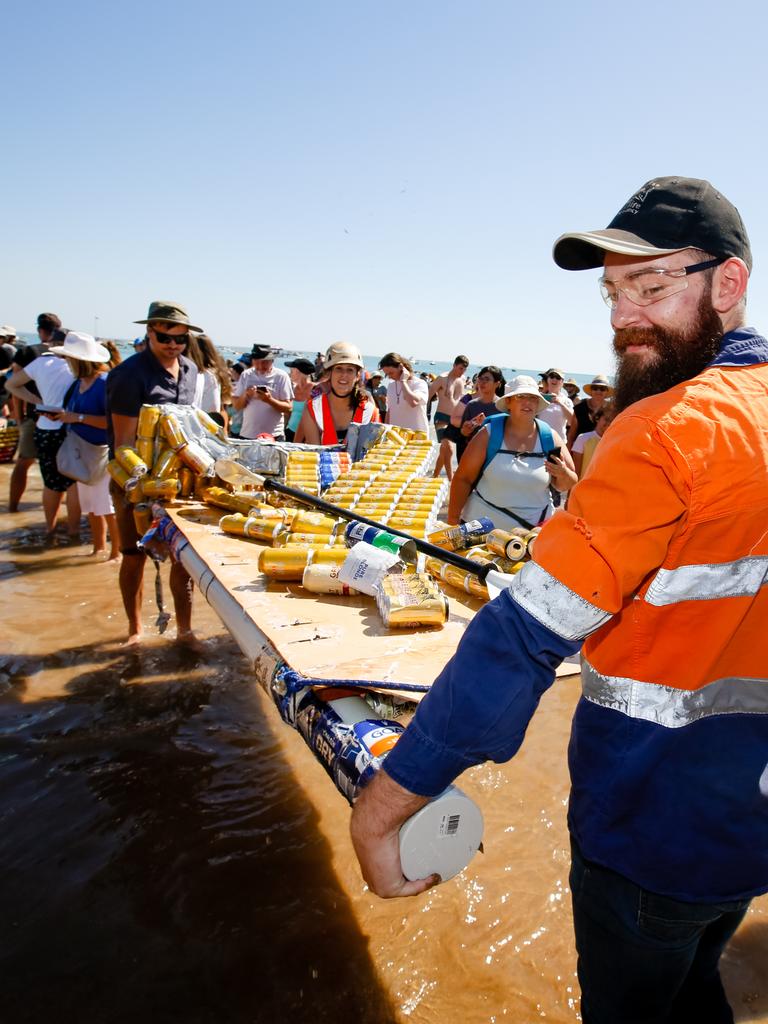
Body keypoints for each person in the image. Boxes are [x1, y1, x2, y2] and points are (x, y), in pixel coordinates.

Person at [350, 176, 766, 1024]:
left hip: (650, 829)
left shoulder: (665, 430)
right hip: (747, 826)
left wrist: (387, 803)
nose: (623, 317)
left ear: (729, 284)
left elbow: (520, 638)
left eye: (652, 287)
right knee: (693, 992)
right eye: (613, 292)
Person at [106, 301, 202, 645]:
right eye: (165, 337)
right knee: (133, 556)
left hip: (178, 483)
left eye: (180, 339)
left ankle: (185, 630)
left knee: (182, 560)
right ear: (149, 332)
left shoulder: (190, 370)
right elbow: (122, 443)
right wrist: (143, 486)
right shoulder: (128, 375)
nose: (173, 345)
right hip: (134, 482)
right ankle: (134, 630)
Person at [447, 374, 576, 531]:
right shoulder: (488, 434)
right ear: (508, 402)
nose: (528, 402)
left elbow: (569, 482)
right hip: (481, 533)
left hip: (532, 537)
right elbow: (463, 479)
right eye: (521, 397)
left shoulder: (550, 437)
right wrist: (452, 523)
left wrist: (563, 474)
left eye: (533, 398)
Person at [6, 313, 82, 542]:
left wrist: (37, 401)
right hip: (71, 428)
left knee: (51, 483)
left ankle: (49, 530)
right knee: (73, 483)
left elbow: (11, 384)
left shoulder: (41, 363)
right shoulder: (77, 367)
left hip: (44, 427)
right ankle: (74, 532)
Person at [47, 332, 119, 559]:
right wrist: (63, 416)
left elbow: (113, 422)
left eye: (68, 359)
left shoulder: (103, 383)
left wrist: (76, 418)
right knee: (91, 507)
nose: (66, 363)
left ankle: (117, 553)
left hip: (101, 454)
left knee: (106, 508)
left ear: (78, 360)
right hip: (83, 452)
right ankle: (99, 548)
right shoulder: (79, 383)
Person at [299, 342, 379, 445]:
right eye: (338, 368)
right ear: (329, 373)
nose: (344, 375)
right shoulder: (313, 409)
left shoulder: (369, 412)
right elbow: (314, 452)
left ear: (357, 376)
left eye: (350, 370)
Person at [231, 344, 293, 440]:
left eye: (264, 362)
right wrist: (246, 395)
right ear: (252, 361)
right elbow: (237, 406)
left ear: (272, 361)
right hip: (248, 434)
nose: (260, 366)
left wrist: (269, 400)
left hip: (274, 436)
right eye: (256, 362)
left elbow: (288, 408)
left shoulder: (281, 376)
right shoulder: (246, 375)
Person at [451, 364, 505, 464]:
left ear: (497, 384)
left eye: (487, 379)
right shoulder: (472, 405)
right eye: (480, 378)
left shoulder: (503, 407)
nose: (482, 382)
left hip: (495, 458)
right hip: (472, 455)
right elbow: (463, 435)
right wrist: (465, 430)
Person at [428, 355, 469, 479]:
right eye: (460, 368)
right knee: (450, 448)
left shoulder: (462, 380)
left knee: (444, 450)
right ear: (454, 365)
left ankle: (435, 476)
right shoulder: (442, 378)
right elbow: (428, 396)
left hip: (455, 419)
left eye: (464, 370)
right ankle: (451, 479)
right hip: (441, 417)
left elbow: (461, 400)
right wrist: (425, 416)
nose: (462, 372)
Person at [378, 352, 429, 433]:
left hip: (417, 436)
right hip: (395, 436)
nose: (390, 377)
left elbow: (413, 402)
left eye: (391, 373)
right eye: (387, 374)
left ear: (401, 367)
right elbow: (390, 411)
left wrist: (403, 381)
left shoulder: (419, 383)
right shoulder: (391, 386)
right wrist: (386, 431)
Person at [570, 399, 614, 479]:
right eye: (606, 419)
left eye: (612, 421)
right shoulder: (582, 439)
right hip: (583, 488)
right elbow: (576, 471)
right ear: (597, 418)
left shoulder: (615, 442)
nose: (609, 423)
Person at [567, 374, 614, 447]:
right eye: (595, 388)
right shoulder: (579, 408)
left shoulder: (611, 410)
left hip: (603, 449)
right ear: (591, 391)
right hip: (580, 451)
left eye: (602, 388)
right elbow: (571, 435)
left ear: (606, 392)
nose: (598, 391)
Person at [283, 357, 315, 442]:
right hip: (289, 432)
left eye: (292, 371)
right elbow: (288, 414)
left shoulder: (314, 390)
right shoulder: (293, 389)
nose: (290, 374)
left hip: (306, 435)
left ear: (298, 372)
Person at [537, 367, 575, 437]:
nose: (554, 379)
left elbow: (572, 422)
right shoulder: (539, 397)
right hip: (540, 440)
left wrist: (560, 404)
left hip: (559, 441)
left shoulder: (566, 401)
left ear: (562, 382)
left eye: (558, 378)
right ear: (547, 379)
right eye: (551, 376)